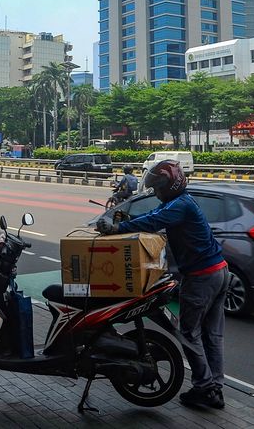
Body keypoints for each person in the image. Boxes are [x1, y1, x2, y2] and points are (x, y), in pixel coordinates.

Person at [98, 160, 230, 409]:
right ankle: (216, 388)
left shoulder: (179, 206)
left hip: (201, 276)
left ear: (170, 185)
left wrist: (117, 227)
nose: (156, 192)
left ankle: (204, 388)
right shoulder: (181, 203)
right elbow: (153, 216)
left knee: (190, 334)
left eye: (158, 187)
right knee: (212, 336)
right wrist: (127, 219)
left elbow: (153, 222)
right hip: (219, 271)